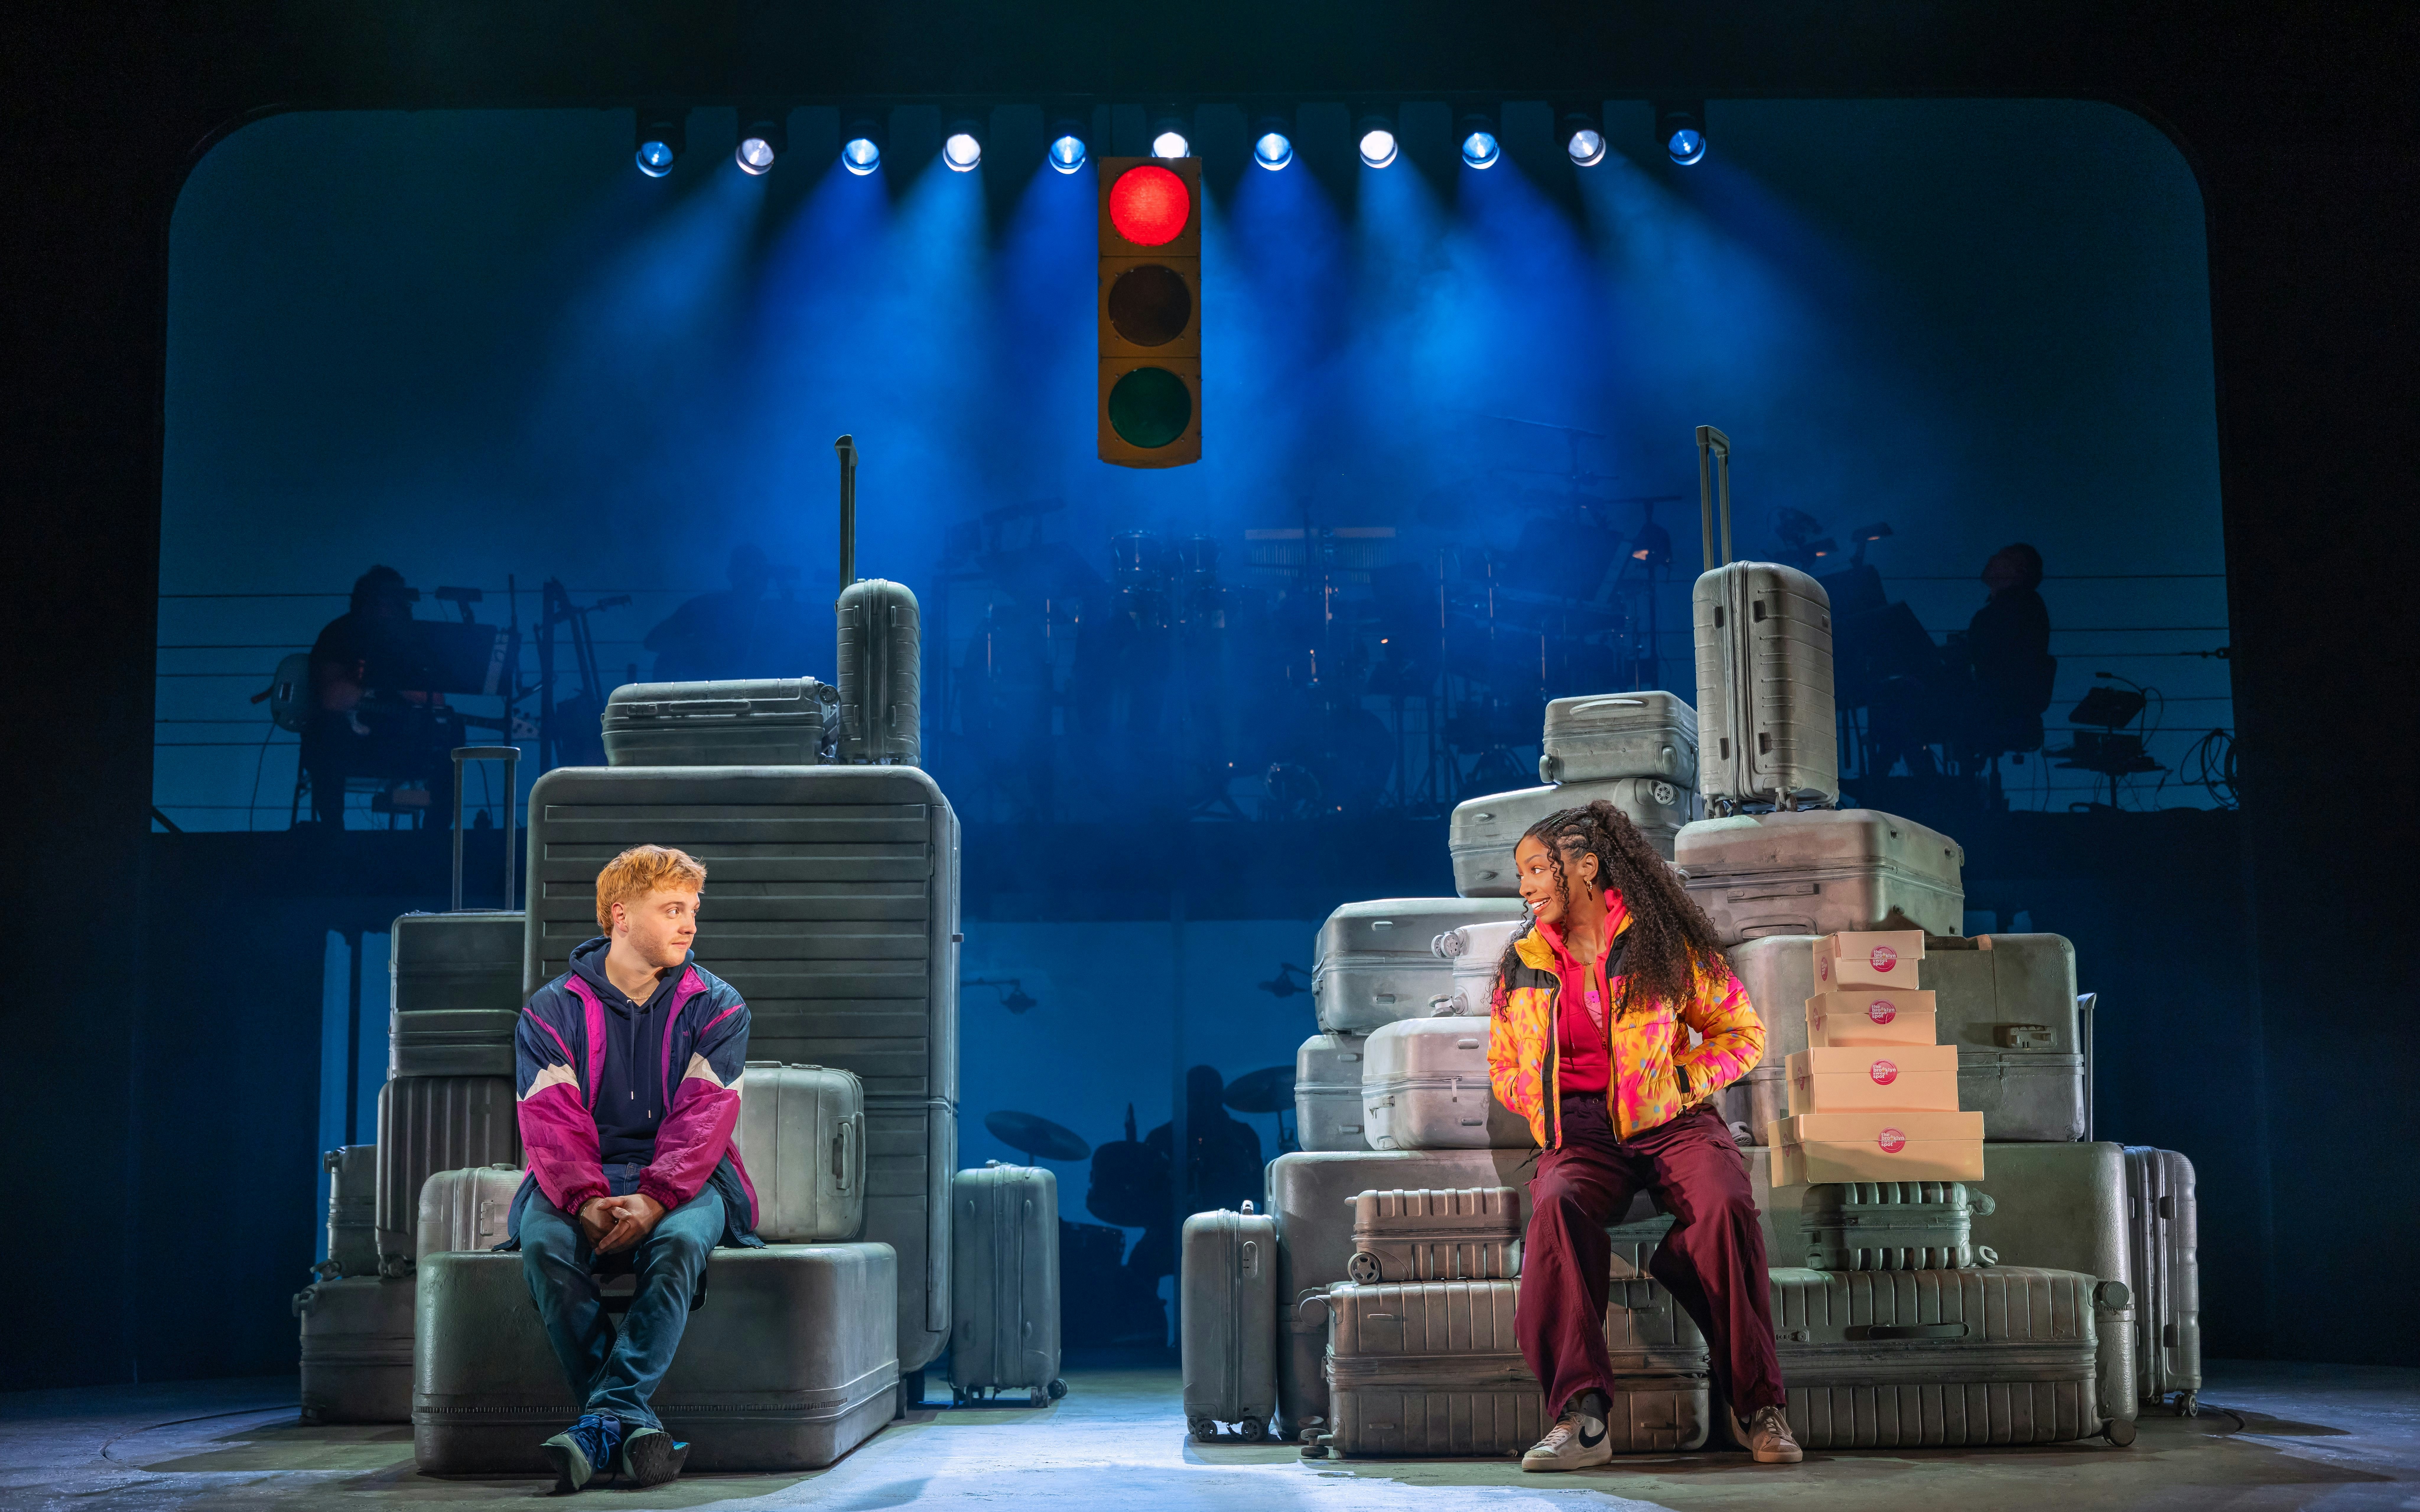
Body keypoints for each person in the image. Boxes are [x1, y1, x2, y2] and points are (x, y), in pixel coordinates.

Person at [1484, 800, 1799, 1470]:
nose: (1525, 886)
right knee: (1557, 1206)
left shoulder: (1662, 943)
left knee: (1723, 1205)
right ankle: (1582, 1418)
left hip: (1672, 1115)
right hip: (1582, 1127)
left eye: (1537, 868)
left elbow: (1742, 1035)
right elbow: (1504, 1062)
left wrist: (1681, 1082)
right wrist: (1544, 1112)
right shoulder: (1524, 963)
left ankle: (1757, 1405)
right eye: (1522, 874)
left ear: (1586, 868)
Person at [506, 845, 759, 1492]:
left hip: (687, 1180)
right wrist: (586, 1199)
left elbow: (703, 1120)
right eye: (672, 909)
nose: (689, 924)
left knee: (677, 1243)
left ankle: (601, 1421)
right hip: (577, 1180)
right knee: (544, 1244)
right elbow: (551, 1120)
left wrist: (654, 1198)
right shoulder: (550, 1008)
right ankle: (628, 1421)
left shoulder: (719, 1004)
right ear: (620, 916)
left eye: (693, 910)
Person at [298, 565, 456, 825]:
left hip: (400, 740)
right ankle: (332, 831)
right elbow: (331, 699)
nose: (398, 607)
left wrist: (391, 676)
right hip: (347, 743)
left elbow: (437, 702)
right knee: (326, 731)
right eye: (387, 600)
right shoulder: (339, 635)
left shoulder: (412, 640)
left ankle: (436, 835)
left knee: (453, 730)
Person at [642, 544, 816, 682]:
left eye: (762, 573)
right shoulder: (706, 607)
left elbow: (801, 640)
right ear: (732, 575)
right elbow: (653, 640)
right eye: (751, 571)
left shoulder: (771, 613)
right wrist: (700, 650)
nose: (757, 579)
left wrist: (785, 588)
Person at [1961, 543, 2057, 759]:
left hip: (1998, 711)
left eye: (2004, 557)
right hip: (2005, 709)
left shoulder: (2009, 610)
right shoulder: (2026, 606)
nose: (1993, 558)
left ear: (2018, 572)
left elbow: (1985, 662)